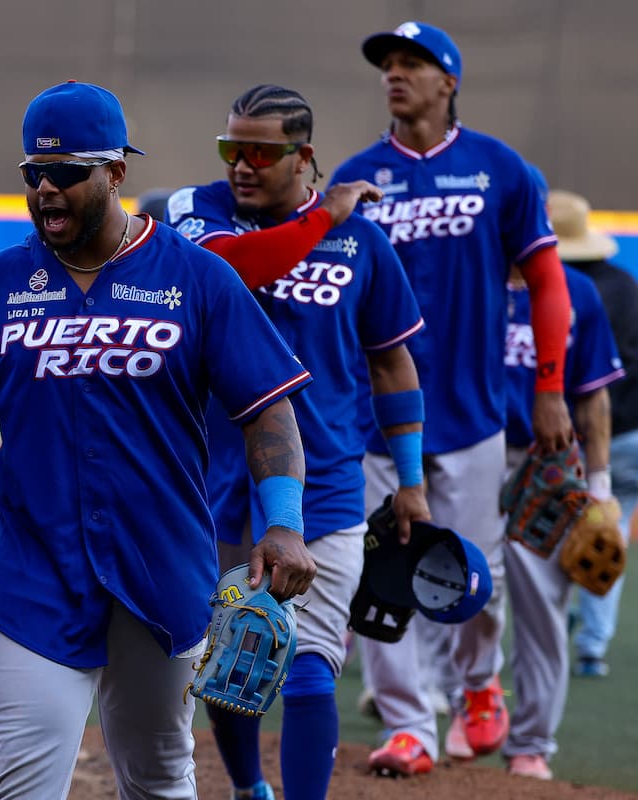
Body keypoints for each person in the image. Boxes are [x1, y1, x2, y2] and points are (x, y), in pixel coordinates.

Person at [0, 79, 316, 800]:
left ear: (116, 173)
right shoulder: (3, 281)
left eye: (66, 174)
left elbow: (269, 412)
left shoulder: (198, 280)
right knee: (24, 787)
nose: (45, 191)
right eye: (33, 173)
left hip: (161, 571)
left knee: (159, 778)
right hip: (34, 574)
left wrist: (282, 521)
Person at [164, 83, 430, 800]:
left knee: (311, 660)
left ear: (303, 156)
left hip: (328, 484)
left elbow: (391, 362)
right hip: (208, 483)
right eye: (231, 149)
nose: (240, 166)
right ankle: (249, 787)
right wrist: (324, 218)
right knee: (231, 659)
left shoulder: (364, 243)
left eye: (260, 151)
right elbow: (235, 270)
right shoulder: (197, 214)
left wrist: (410, 480)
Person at [328, 21, 576, 776]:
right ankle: (410, 725)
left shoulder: (500, 169)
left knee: (478, 571)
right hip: (375, 416)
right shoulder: (358, 174)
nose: (395, 76)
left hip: (471, 410)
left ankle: (477, 683)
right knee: (383, 573)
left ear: (450, 81)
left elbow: (546, 283)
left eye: (413, 64)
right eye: (389, 66)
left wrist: (550, 387)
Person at [499, 172, 624, 780]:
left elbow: (594, 402)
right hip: (464, 458)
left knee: (544, 613)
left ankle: (531, 744)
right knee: (449, 596)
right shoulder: (466, 290)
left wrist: (599, 489)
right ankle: (464, 705)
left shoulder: (578, 293)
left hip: (545, 470)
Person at [550, 188, 638, 679]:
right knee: (609, 534)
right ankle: (593, 647)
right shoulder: (626, 284)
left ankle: (558, 619)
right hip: (630, 435)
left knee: (556, 532)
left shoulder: (560, 289)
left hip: (577, 436)